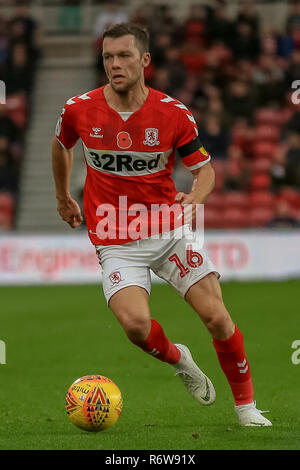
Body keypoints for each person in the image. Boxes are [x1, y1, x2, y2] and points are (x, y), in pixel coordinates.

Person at [52, 23, 272, 427]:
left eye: (124, 56)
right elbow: (62, 144)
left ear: (145, 60)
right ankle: (180, 359)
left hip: (168, 232)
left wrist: (196, 201)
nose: (114, 65)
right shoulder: (79, 109)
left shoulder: (172, 114)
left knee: (218, 318)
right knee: (136, 326)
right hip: (114, 239)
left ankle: (246, 409)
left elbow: (204, 172)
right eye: (107, 57)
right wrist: (62, 195)